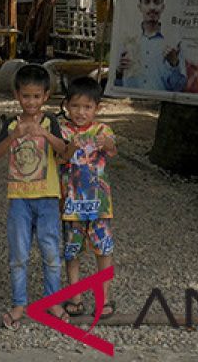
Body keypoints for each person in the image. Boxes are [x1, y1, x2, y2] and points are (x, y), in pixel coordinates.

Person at [0, 64, 70, 328]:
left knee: (51, 252)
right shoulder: (11, 122)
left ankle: (53, 301)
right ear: (17, 95)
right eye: (26, 96)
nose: (31, 102)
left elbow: (64, 151)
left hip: (48, 197)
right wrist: (14, 135)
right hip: (19, 199)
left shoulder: (51, 121)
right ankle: (19, 303)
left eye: (37, 96)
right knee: (19, 254)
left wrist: (45, 134)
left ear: (46, 96)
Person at [57, 76, 117, 319]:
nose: (81, 112)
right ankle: (75, 295)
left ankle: (104, 296)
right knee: (72, 250)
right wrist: (71, 145)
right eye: (75, 106)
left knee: (103, 249)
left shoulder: (102, 130)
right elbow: (59, 157)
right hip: (70, 203)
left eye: (87, 107)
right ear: (67, 105)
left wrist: (107, 142)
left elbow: (113, 149)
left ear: (97, 108)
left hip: (100, 204)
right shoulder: (61, 129)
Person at [115, 0, 187, 92]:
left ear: (162, 7)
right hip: (131, 104)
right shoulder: (126, 41)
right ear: (140, 6)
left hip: (160, 106)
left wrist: (174, 64)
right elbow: (117, 86)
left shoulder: (173, 43)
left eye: (156, 2)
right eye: (147, 2)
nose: (152, 7)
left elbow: (179, 88)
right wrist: (118, 73)